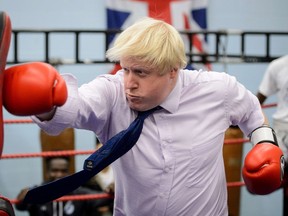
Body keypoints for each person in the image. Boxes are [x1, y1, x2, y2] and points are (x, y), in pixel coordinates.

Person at [3, 17, 285, 215]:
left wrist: (266, 145)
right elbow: (75, 107)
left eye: (141, 72)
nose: (129, 82)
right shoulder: (113, 92)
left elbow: (251, 111)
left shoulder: (216, 90)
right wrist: (46, 102)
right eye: (126, 69)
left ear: (173, 70)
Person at [15, 156, 113, 216]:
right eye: (55, 170)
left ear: (68, 172)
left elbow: (103, 198)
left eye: (63, 171)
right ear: (48, 173)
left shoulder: (79, 193)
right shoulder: (37, 192)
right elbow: (19, 206)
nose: (59, 175)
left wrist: (112, 190)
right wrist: (22, 196)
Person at [256, 55, 288, 215]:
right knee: (277, 177)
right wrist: (236, 119)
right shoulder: (278, 66)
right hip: (283, 131)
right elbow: (258, 100)